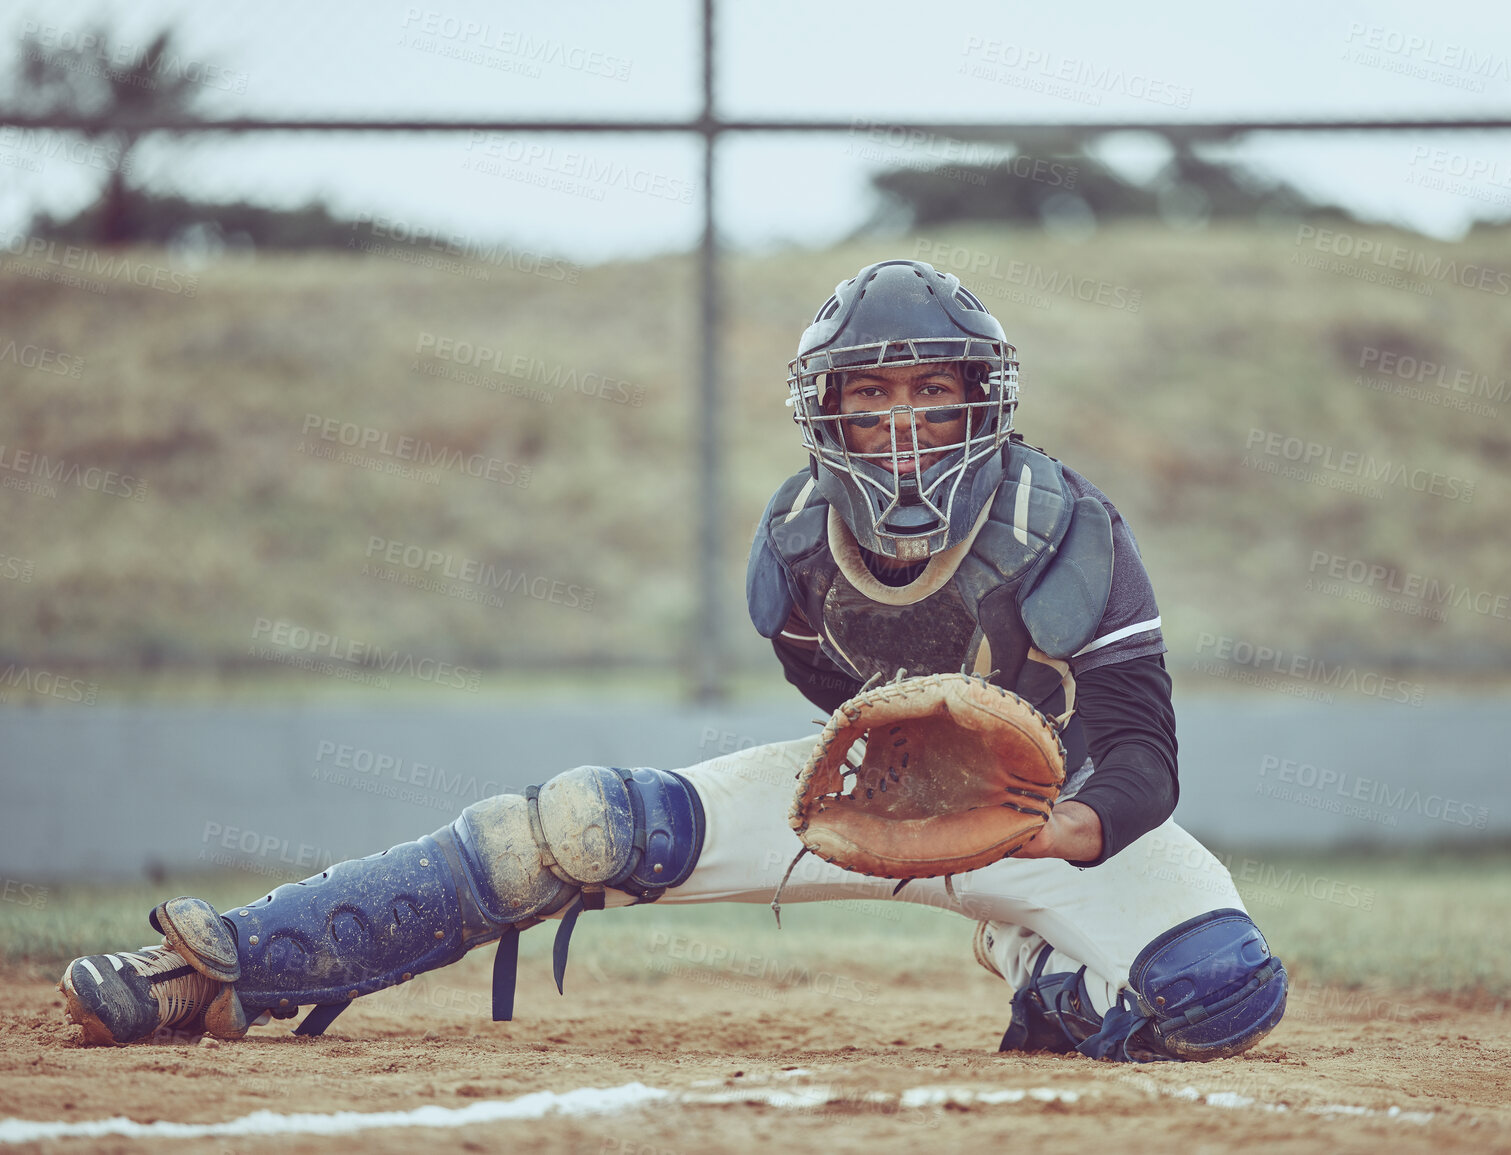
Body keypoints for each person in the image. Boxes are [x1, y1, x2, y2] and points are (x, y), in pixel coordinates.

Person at [60, 258, 1286, 1063]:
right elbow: (843, 710)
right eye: (873, 400)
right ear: (827, 417)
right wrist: (900, 792)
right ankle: (227, 960)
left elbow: (1143, 748)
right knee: (586, 825)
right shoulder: (799, 544)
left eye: (936, 393)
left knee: (1223, 992)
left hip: (1056, 823)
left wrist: (1050, 837)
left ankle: (1047, 973)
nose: (905, 428)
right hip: (877, 799)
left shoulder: (1060, 524)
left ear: (989, 403)